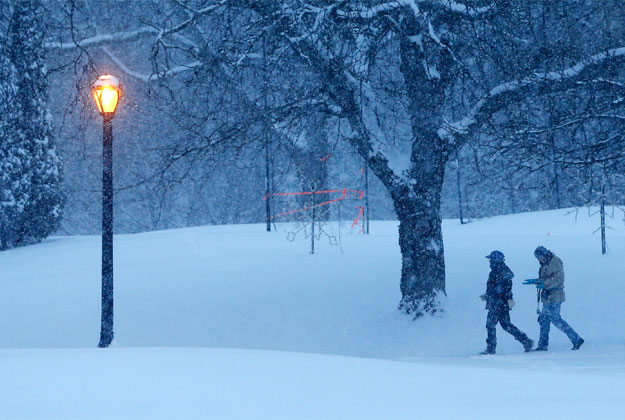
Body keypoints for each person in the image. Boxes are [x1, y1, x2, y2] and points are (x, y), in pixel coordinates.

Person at [480, 250, 533, 355]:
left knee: (491, 325)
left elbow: (503, 288)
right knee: (506, 325)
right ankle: (526, 341)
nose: (489, 261)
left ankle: (491, 349)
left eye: (490, 259)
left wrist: (494, 296)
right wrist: (488, 296)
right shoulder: (500, 271)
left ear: (495, 260)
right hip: (500, 303)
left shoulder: (499, 272)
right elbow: (500, 288)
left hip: (498, 304)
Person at [531, 246, 584, 351]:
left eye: (539, 257)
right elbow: (546, 277)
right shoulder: (545, 263)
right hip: (548, 296)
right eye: (537, 258)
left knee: (555, 319)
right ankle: (542, 344)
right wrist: (538, 281)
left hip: (555, 296)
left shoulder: (555, 261)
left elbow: (559, 279)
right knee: (544, 320)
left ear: (545, 254)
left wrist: (544, 284)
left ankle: (576, 339)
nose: (539, 259)